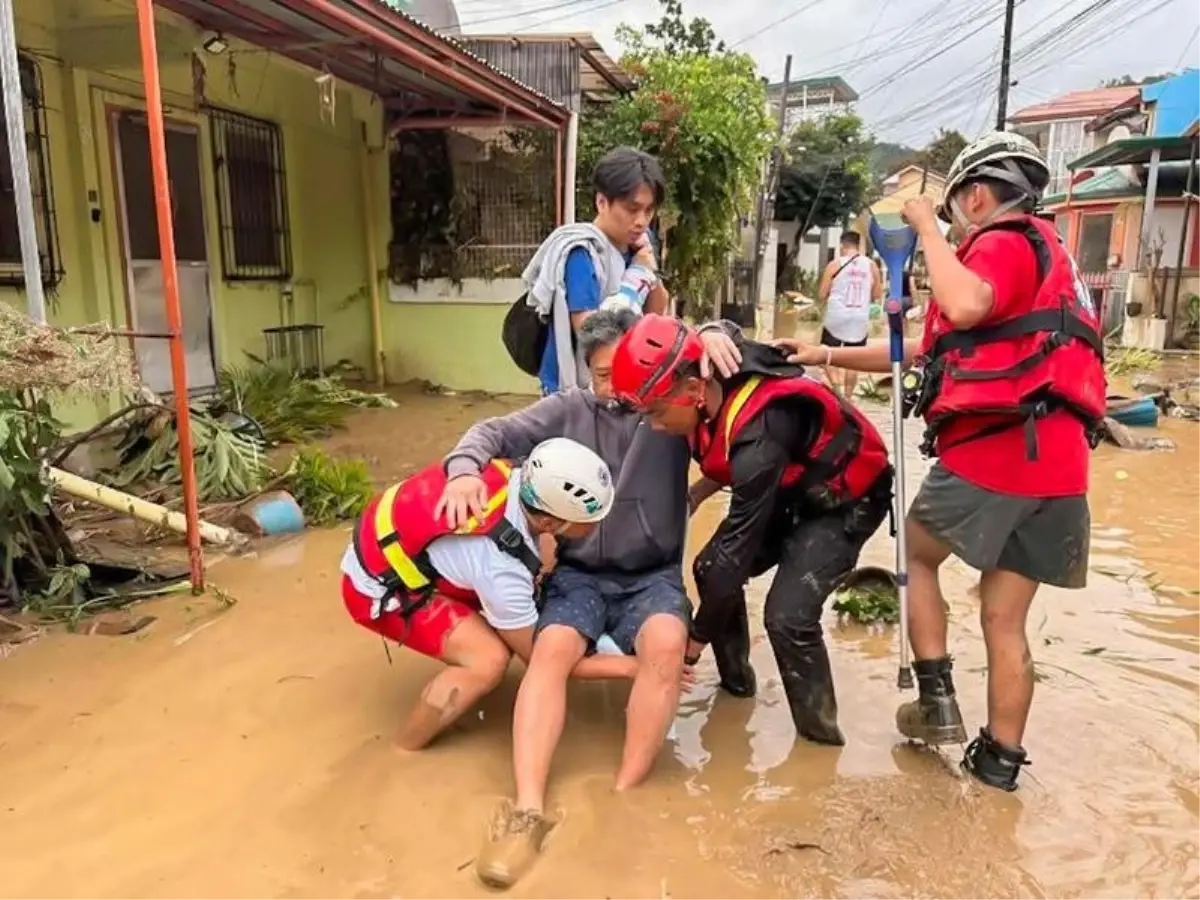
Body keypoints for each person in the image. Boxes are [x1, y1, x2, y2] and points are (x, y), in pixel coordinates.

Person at [772, 131, 1106, 791]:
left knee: (917, 554)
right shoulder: (1049, 261)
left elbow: (965, 305)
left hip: (999, 453)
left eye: (952, 207)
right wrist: (823, 354)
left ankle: (935, 701)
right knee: (1005, 619)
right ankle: (998, 766)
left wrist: (925, 226)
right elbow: (922, 349)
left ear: (975, 197)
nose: (950, 222)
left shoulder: (1001, 243)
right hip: (1061, 471)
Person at [438, 308, 743, 889]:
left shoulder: (666, 405)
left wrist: (713, 332)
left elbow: (724, 365)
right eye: (603, 376)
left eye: (624, 374)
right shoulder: (567, 411)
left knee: (666, 643)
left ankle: (624, 797)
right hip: (578, 574)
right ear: (586, 372)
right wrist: (463, 471)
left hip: (652, 574)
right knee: (551, 649)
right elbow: (491, 433)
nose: (618, 389)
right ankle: (528, 808)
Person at [609, 313, 894, 748]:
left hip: (845, 500)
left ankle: (819, 744)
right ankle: (736, 688)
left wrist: (694, 642)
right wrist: (698, 493)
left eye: (657, 413)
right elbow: (728, 436)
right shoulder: (712, 368)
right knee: (707, 568)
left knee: (787, 617)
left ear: (693, 391)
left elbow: (737, 553)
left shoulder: (761, 433)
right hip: (790, 487)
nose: (656, 426)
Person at [341, 437, 626, 752]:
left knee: (543, 559)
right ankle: (405, 748)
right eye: (590, 522)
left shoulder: (514, 474)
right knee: (488, 660)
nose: (598, 525)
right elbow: (542, 659)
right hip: (375, 588)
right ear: (547, 520)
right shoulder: (500, 568)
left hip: (394, 544)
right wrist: (631, 667)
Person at [521, 147, 672, 394]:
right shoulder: (582, 253)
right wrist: (635, 279)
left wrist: (647, 271)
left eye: (649, 210)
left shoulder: (638, 245)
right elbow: (591, 332)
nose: (641, 221)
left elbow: (655, 312)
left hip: (621, 384)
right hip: (576, 392)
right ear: (602, 202)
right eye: (632, 209)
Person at [817, 230, 883, 398]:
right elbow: (877, 295)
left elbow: (822, 294)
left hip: (836, 317)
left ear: (842, 245)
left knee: (826, 354)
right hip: (859, 317)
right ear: (858, 246)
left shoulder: (834, 265)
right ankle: (848, 397)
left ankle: (836, 389)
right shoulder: (871, 266)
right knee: (853, 360)